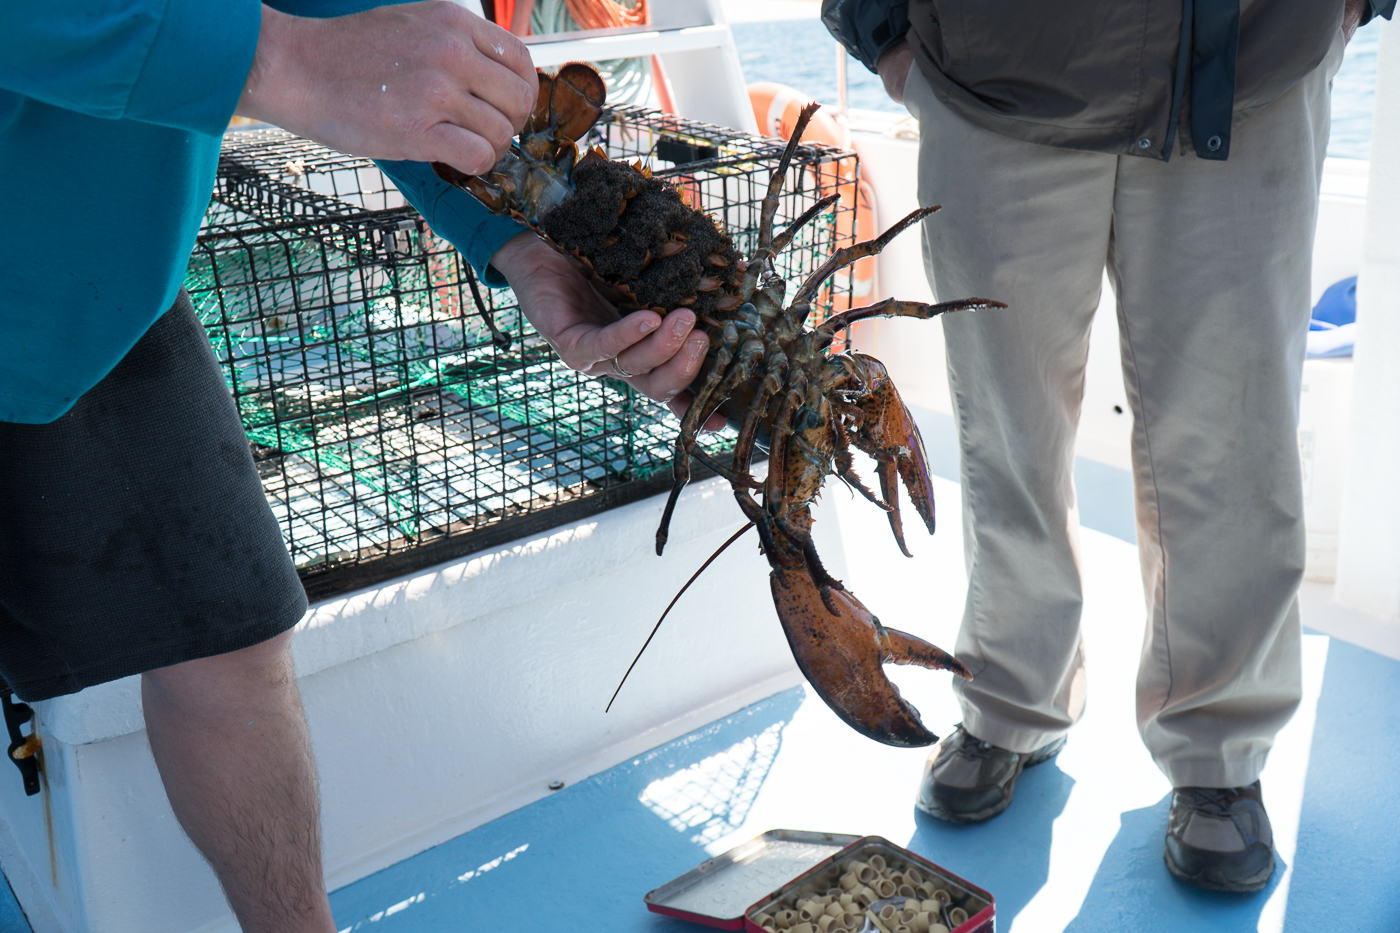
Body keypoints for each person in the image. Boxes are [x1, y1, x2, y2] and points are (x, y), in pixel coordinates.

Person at [0, 2, 708, 930]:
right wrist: (276, 57)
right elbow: (311, 44)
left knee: (235, 642)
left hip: (101, 275)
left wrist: (522, 237)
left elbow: (357, 23)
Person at [822, 0, 1392, 894]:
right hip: (991, 75)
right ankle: (1012, 698)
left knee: (1234, 438)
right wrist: (883, 31)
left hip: (1250, 58)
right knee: (1008, 425)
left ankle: (1220, 748)